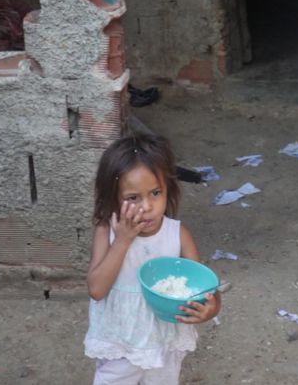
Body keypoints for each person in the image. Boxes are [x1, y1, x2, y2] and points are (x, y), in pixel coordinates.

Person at [84, 134, 222, 385]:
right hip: (120, 343)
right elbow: (96, 289)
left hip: (163, 343)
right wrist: (123, 240)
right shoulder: (107, 231)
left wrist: (211, 308)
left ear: (168, 190)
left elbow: (205, 287)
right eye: (133, 198)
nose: (146, 206)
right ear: (112, 197)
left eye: (155, 193)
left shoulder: (177, 234)